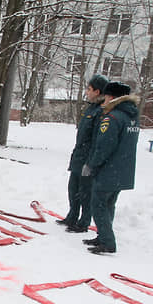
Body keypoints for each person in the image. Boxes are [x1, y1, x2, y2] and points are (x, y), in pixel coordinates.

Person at [81, 81, 140, 255]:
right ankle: (102, 236)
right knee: (108, 205)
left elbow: (104, 146)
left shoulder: (112, 118)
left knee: (98, 203)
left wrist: (92, 164)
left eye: (106, 96)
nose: (103, 100)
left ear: (112, 97)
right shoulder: (131, 117)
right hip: (123, 169)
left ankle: (107, 241)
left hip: (109, 168)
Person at [57, 74, 108, 233]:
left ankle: (84, 222)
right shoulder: (91, 108)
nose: (86, 92)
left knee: (85, 192)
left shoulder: (101, 111)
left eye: (89, 89)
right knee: (73, 188)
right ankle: (72, 216)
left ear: (97, 91)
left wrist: (91, 161)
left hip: (88, 157)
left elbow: (97, 139)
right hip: (79, 155)